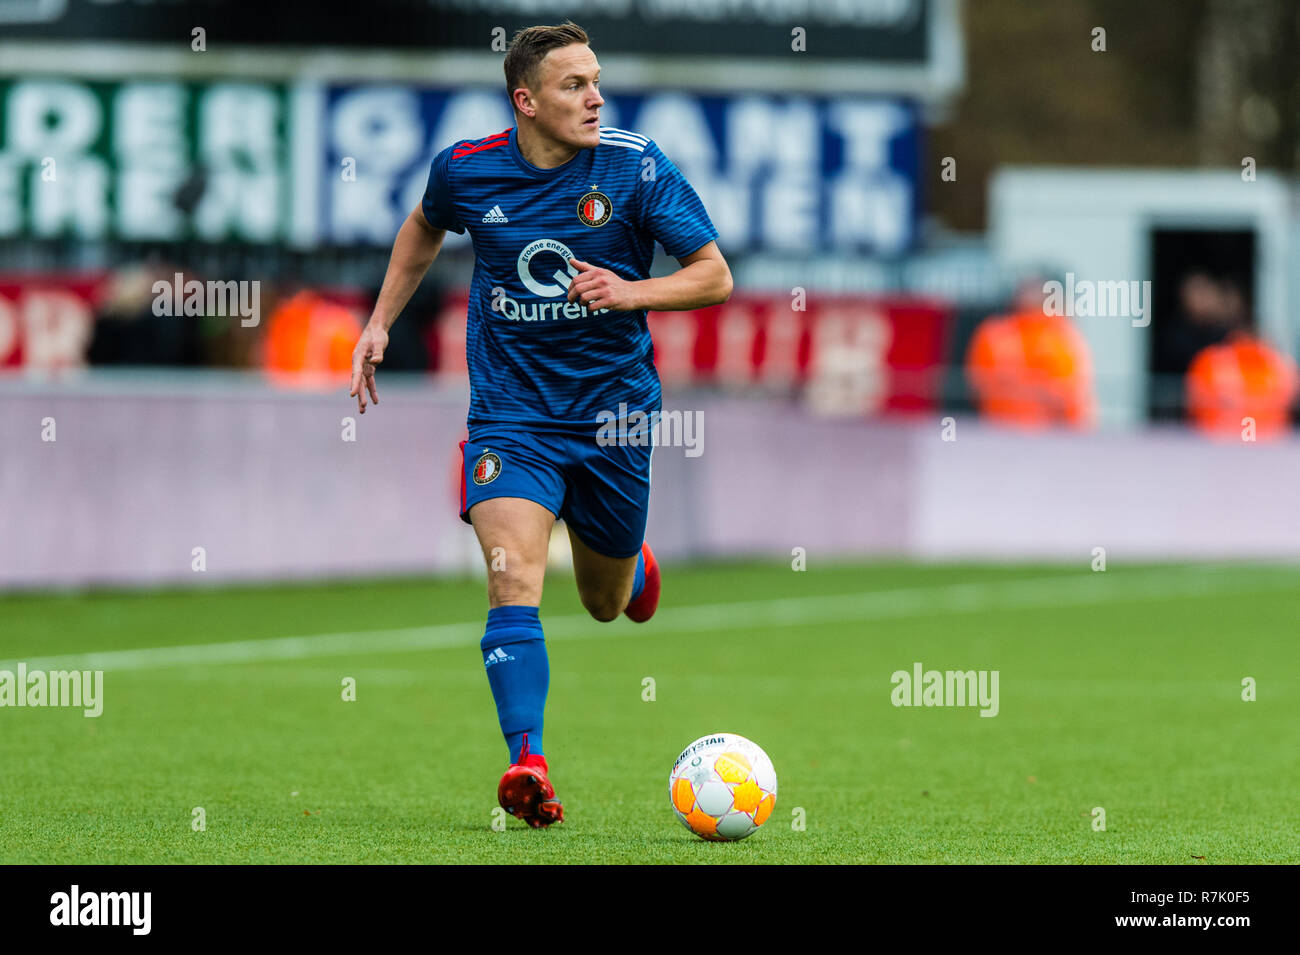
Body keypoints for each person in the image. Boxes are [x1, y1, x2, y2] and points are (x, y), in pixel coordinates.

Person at [347, 21, 732, 828]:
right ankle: (528, 762)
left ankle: (630, 565)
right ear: (525, 101)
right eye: (573, 85)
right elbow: (424, 224)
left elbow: (712, 275)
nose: (595, 97)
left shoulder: (634, 164)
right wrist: (381, 320)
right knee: (513, 572)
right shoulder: (466, 168)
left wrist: (630, 292)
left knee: (602, 600)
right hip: (511, 416)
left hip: (615, 418)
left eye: (596, 80)